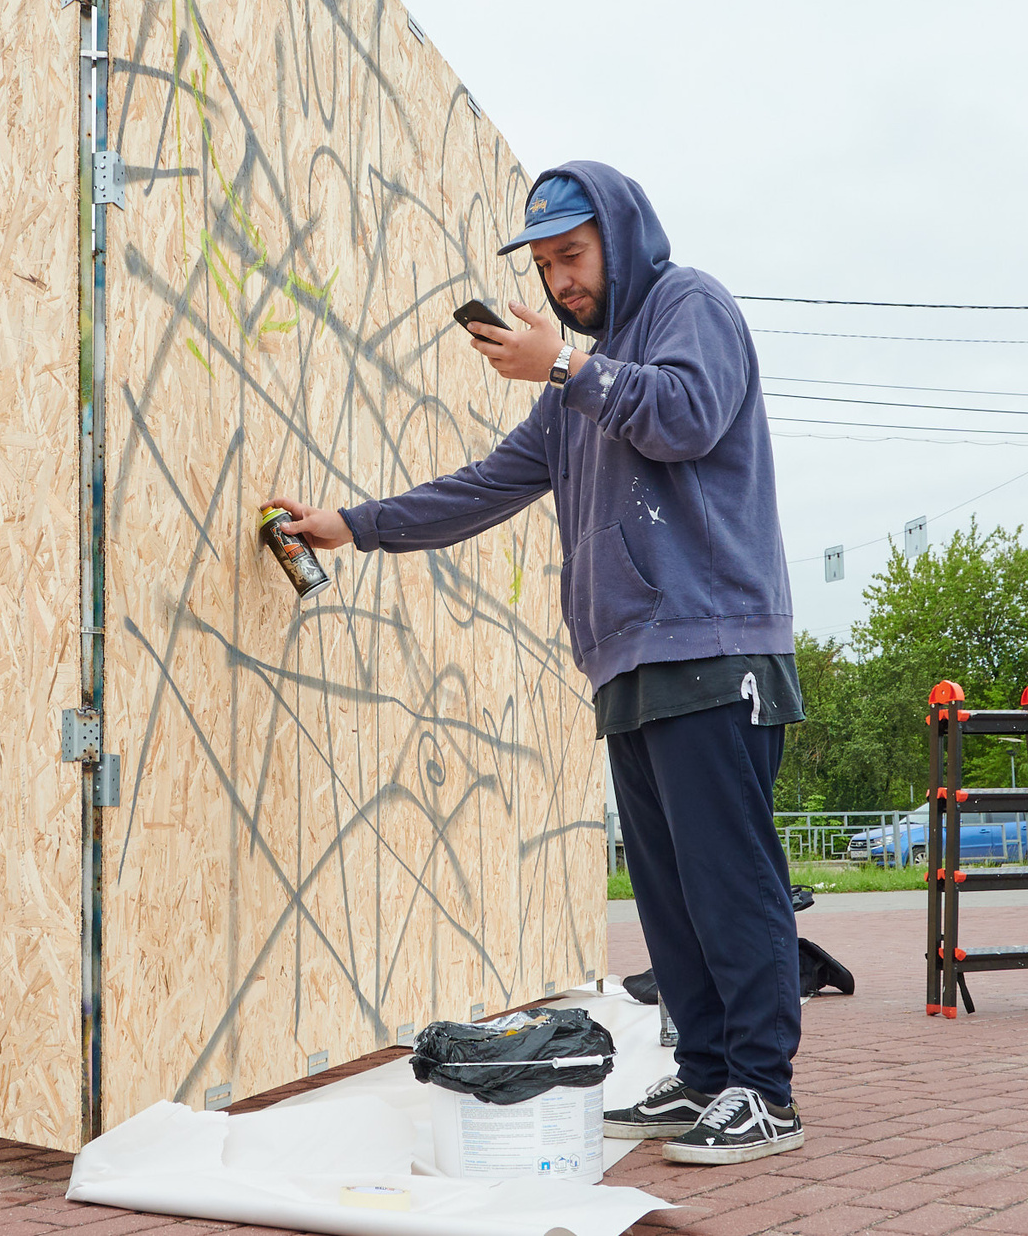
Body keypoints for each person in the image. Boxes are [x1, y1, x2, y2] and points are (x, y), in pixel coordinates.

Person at [267, 162, 804, 1166]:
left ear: (622, 237)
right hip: (630, 661)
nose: (560, 283)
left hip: (715, 645)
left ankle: (765, 1093)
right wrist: (354, 525)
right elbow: (488, 486)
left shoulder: (692, 306)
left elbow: (687, 417)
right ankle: (706, 1076)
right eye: (547, 265)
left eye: (573, 256)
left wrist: (566, 367)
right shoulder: (580, 386)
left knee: (729, 883)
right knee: (669, 893)